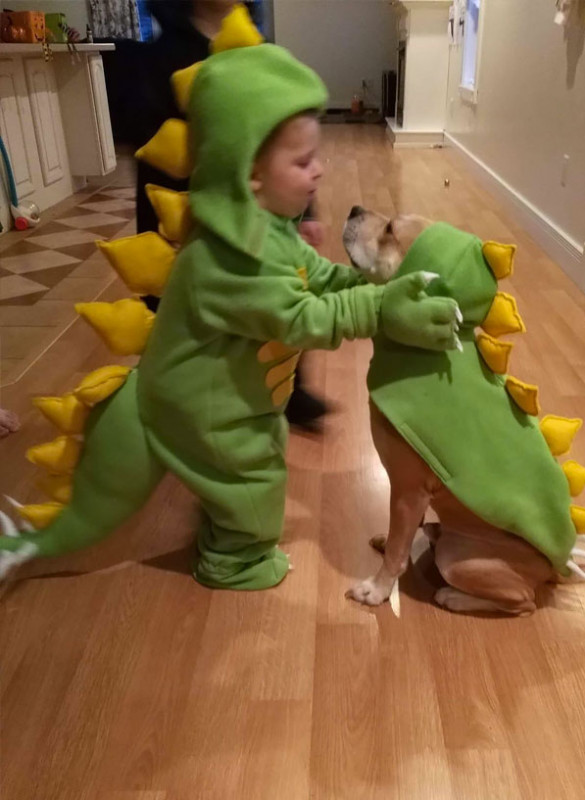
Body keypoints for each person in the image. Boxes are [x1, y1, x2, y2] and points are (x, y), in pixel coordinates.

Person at [0, 20, 460, 589]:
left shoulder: (269, 230)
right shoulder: (230, 259)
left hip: (227, 393)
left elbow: (316, 277)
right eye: (302, 162)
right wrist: (381, 308)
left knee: (260, 451)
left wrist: (368, 286)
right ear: (250, 177)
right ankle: (231, 559)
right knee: (255, 482)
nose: (319, 170)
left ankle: (212, 505)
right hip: (198, 405)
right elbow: (302, 319)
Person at [136, 0, 330, 430]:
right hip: (193, 213)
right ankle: (182, 399)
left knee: (278, 287)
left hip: (262, 211)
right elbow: (155, 154)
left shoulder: (256, 45)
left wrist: (306, 212)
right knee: (198, 315)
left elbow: (291, 141)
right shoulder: (165, 56)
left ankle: (287, 385)